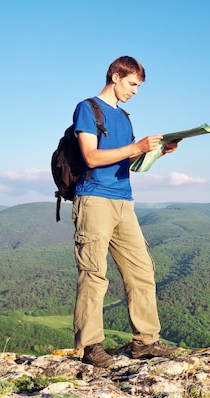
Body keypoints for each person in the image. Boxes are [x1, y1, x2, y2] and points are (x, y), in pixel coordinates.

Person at [71, 56, 178, 367]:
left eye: (138, 86)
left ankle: (145, 342)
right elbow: (91, 157)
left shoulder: (125, 117)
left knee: (142, 270)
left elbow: (131, 163)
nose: (135, 91)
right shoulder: (87, 108)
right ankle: (90, 346)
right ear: (116, 76)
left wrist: (158, 152)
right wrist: (137, 147)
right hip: (94, 200)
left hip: (124, 200)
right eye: (132, 84)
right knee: (94, 273)